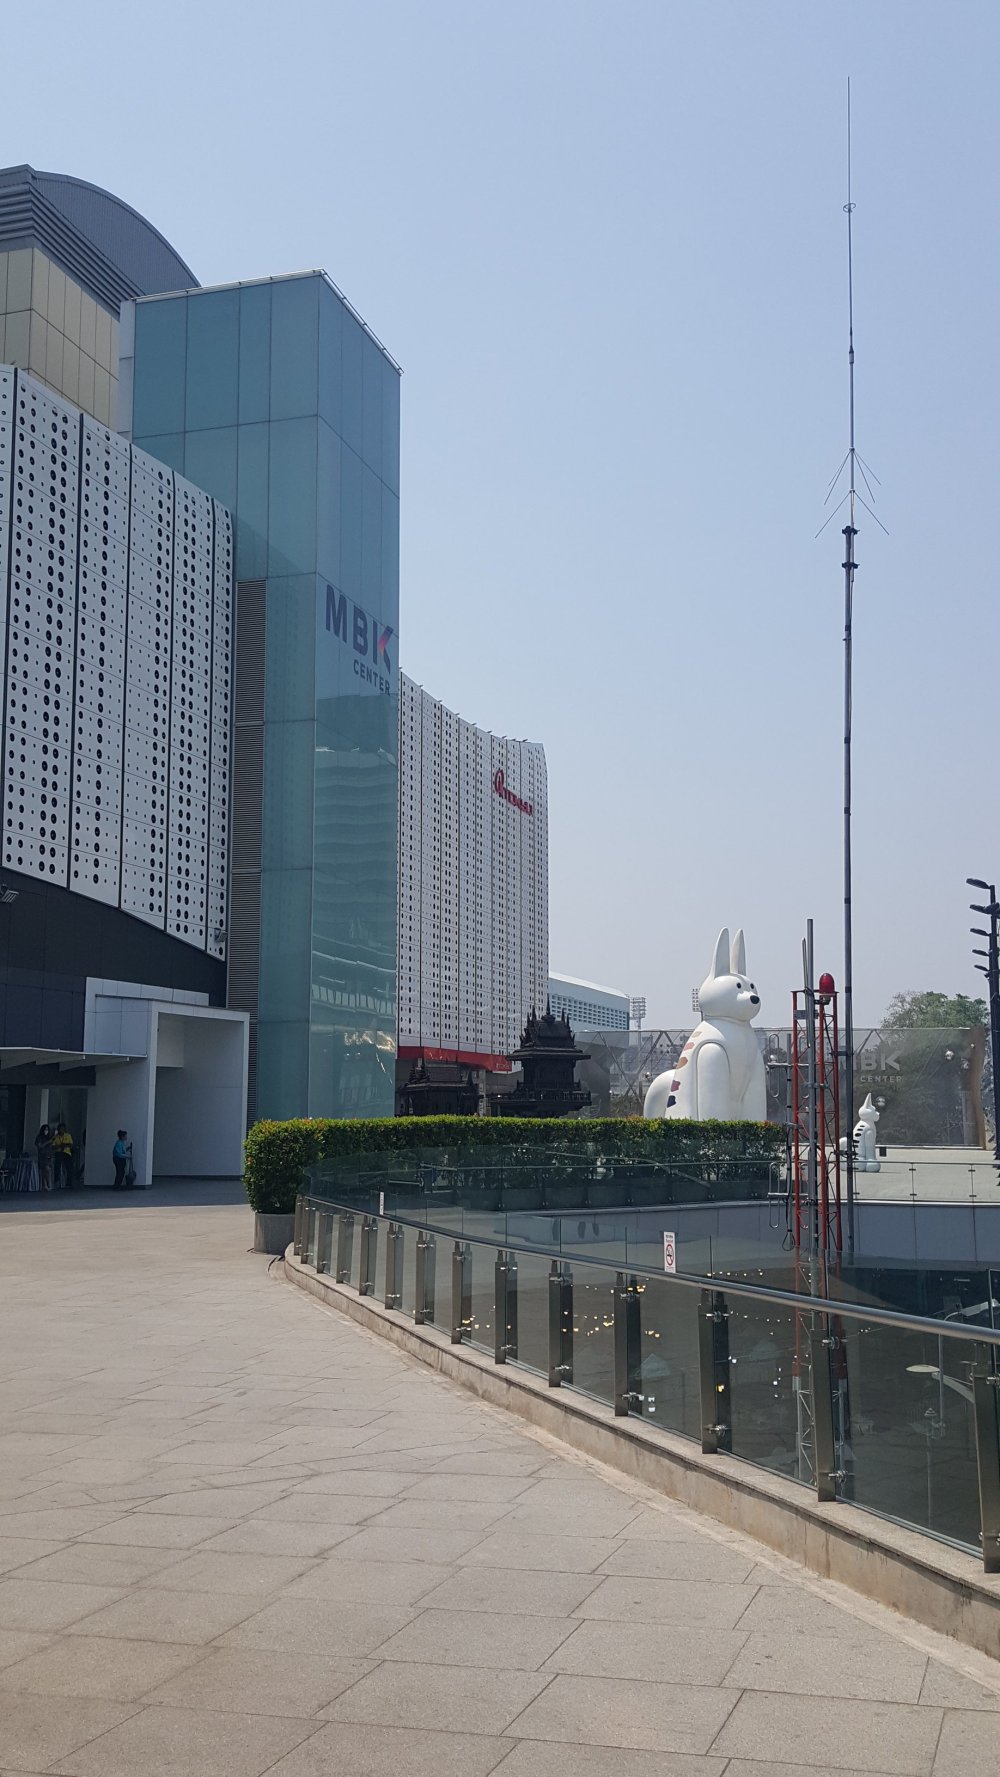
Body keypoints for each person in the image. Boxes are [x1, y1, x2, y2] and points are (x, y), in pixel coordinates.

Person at [52, 1121, 74, 1190]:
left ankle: (69, 1183)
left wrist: (63, 1145)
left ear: (64, 1129)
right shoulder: (55, 1137)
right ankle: (57, 1181)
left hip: (66, 1153)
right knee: (57, 1165)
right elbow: (53, 1146)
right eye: (60, 1129)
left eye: (62, 1129)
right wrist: (60, 1146)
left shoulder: (68, 1135)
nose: (61, 1130)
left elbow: (70, 1145)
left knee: (69, 1166)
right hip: (58, 1153)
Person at [35, 1123, 55, 1193]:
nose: (46, 1131)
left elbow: (51, 1147)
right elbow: (40, 1146)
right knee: (46, 1169)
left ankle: (45, 1185)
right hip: (42, 1156)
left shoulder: (49, 1137)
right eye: (45, 1130)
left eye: (47, 1130)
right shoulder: (39, 1138)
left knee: (45, 1170)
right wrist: (48, 1142)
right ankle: (48, 1184)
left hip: (48, 1155)